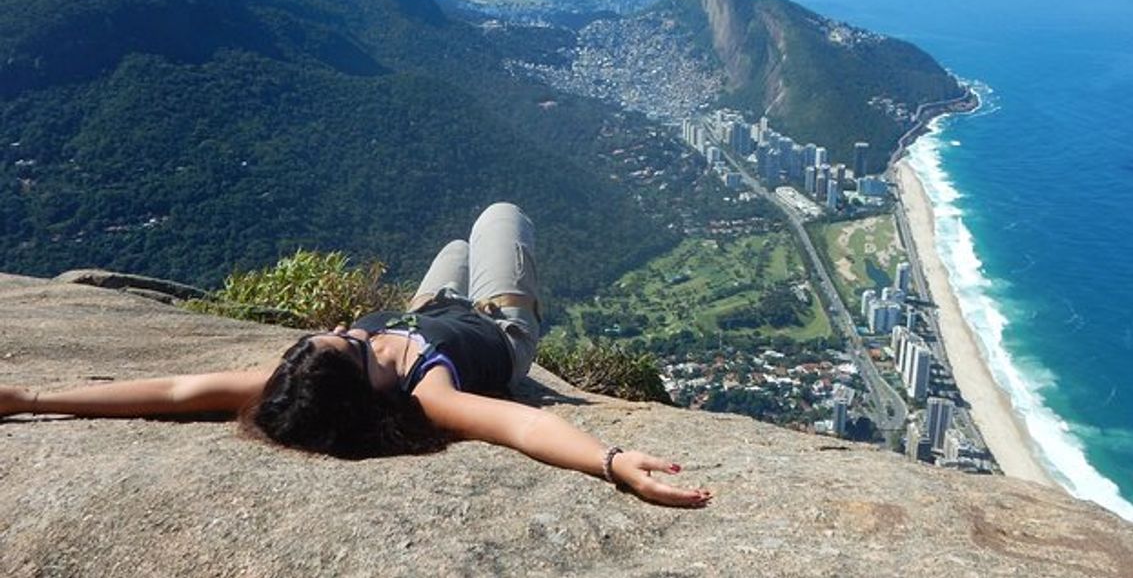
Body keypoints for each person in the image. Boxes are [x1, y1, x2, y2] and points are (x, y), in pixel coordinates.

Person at [0, 203, 711, 508]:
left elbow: (182, 392)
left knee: (454, 253)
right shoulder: (431, 393)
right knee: (497, 218)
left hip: (429, 309)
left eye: (336, 331)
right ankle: (510, 300)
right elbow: (523, 427)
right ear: (373, 385)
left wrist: (29, 399)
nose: (350, 326)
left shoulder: (306, 378)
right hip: (494, 329)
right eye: (352, 341)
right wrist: (615, 463)